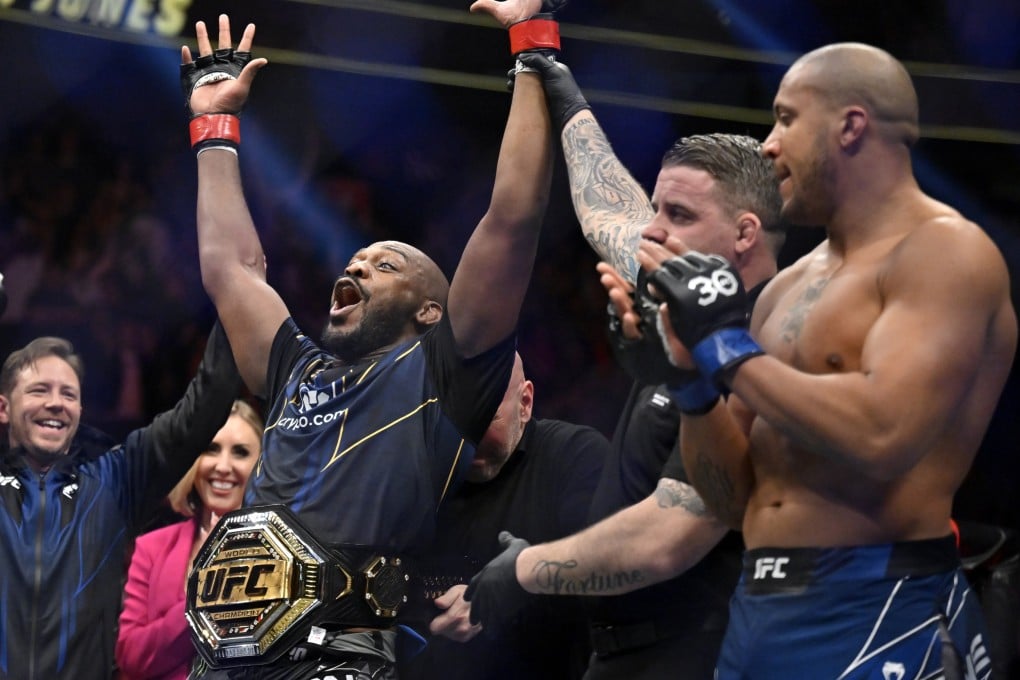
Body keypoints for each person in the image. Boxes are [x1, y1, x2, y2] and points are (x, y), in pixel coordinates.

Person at [178, 2, 555, 676]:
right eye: (356, 260)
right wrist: (214, 126)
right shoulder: (296, 367)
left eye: (387, 266)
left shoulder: (442, 373)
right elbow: (229, 269)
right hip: (225, 662)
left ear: (431, 312)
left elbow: (512, 219)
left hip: (336, 660)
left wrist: (532, 46)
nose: (356, 265)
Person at [635, 42, 1016, 678]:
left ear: (851, 125)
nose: (768, 144)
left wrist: (724, 349)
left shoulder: (945, 253)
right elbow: (734, 502)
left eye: (785, 117)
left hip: (881, 604)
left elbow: (882, 434)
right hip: (761, 608)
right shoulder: (786, 288)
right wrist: (692, 379)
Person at [464, 50, 785, 679]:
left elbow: (673, 536)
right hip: (627, 649)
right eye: (659, 210)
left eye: (680, 216)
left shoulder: (764, 344)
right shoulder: (682, 296)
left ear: (744, 234)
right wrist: (550, 66)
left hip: (700, 647)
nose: (653, 232)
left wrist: (529, 569)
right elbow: (606, 208)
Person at [0, 324, 241, 680]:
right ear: (3, 408)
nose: (55, 402)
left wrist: (234, 286)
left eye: (68, 394)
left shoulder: (114, 482)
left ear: (80, 411)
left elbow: (205, 405)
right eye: (39, 390)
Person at [398, 352, 610, 680]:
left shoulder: (573, 457)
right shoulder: (410, 476)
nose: (465, 441)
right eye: (451, 419)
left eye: (485, 417)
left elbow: (612, 565)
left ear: (524, 403)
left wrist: (525, 578)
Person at [116, 399, 264, 680]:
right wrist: (205, 594)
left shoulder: (284, 549)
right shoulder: (152, 547)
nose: (223, 466)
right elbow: (131, 658)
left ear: (262, 464)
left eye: (240, 453)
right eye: (211, 449)